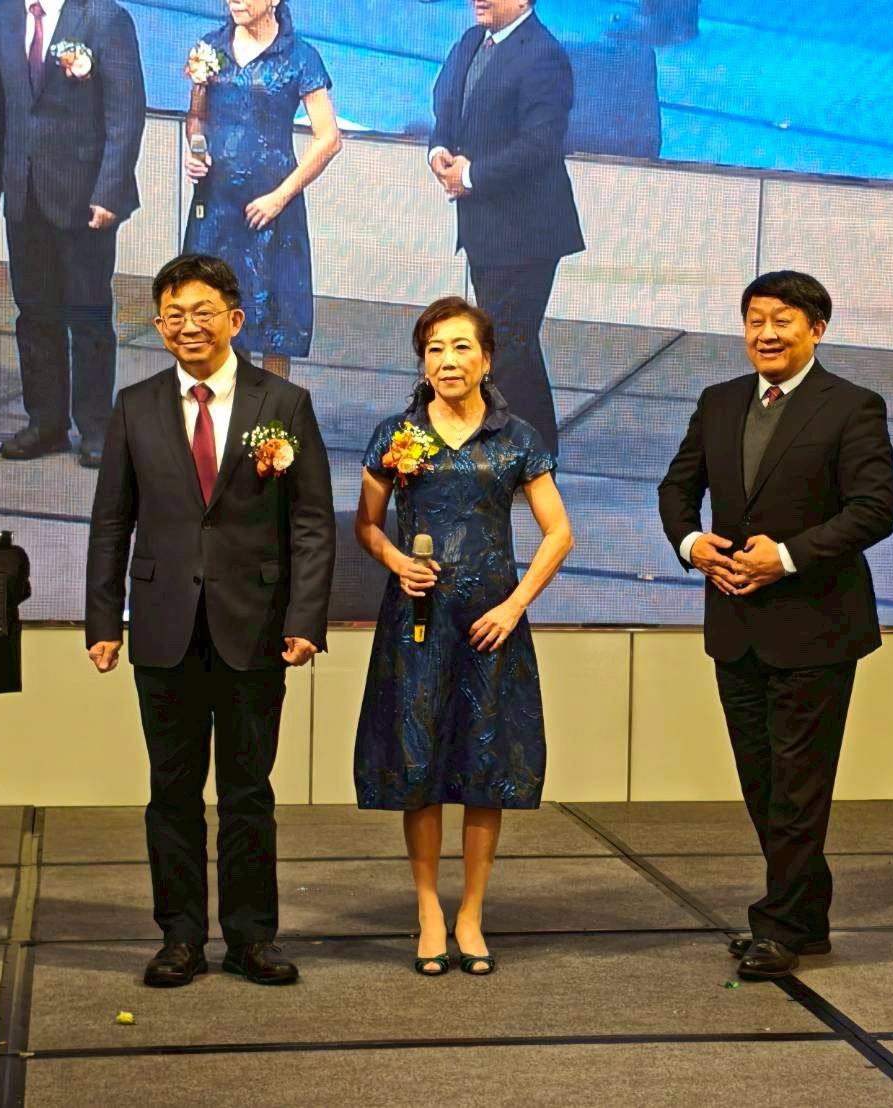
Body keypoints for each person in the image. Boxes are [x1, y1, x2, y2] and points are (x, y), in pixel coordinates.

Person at [85, 253, 334, 988]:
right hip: (163, 627)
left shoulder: (283, 404)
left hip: (253, 625)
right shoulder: (134, 405)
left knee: (248, 791)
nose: (187, 325)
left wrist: (306, 617)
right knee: (171, 791)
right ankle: (180, 937)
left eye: (201, 312)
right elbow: (111, 522)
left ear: (235, 319)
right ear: (159, 326)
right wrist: (103, 619)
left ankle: (252, 937)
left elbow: (312, 523)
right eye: (173, 315)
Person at [657, 271, 893, 980]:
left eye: (782, 320)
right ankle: (807, 917)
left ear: (816, 329)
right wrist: (692, 545)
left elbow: (873, 510)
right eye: (754, 320)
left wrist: (786, 557)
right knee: (763, 781)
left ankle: (779, 927)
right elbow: (677, 487)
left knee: (798, 783)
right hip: (734, 621)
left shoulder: (852, 406)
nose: (765, 333)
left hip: (816, 627)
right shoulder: (719, 400)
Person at [353, 296, 573, 976]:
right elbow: (366, 525)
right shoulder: (397, 434)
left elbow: (559, 534)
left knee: (484, 766)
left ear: (486, 358)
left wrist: (514, 606)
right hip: (417, 624)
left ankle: (471, 913)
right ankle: (428, 909)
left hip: (488, 625)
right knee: (418, 765)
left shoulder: (517, 438)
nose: (447, 360)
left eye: (460, 347)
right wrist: (396, 561)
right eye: (434, 349)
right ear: (422, 362)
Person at [0, 0, 146, 468]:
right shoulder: (7, 16)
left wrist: (109, 192)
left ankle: (96, 428)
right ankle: (45, 423)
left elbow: (126, 116)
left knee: (88, 314)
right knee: (34, 312)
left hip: (83, 195)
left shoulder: (104, 18)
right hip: (23, 191)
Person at [428, 0, 584, 457]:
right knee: (509, 344)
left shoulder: (543, 55)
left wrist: (472, 175)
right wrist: (439, 150)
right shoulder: (471, 43)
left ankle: (532, 456)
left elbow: (540, 143)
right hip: (484, 228)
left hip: (527, 231)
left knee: (509, 345)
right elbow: (447, 110)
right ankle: (525, 453)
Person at [182, 0, 341, 379]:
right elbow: (197, 117)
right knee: (216, 318)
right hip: (217, 208)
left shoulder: (300, 56)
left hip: (272, 210)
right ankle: (227, 410)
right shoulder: (210, 48)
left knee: (275, 326)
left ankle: (272, 414)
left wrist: (280, 197)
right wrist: (197, 150)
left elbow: (329, 138)